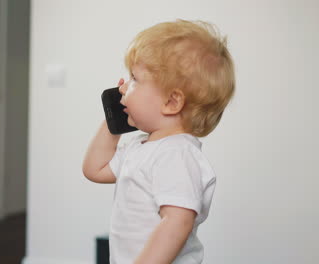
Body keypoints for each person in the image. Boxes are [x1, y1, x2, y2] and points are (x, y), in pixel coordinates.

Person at [82, 19, 235, 264]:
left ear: (172, 102)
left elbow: (177, 221)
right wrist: (113, 122)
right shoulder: (139, 147)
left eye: (134, 79)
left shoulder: (177, 154)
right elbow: (95, 169)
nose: (123, 88)